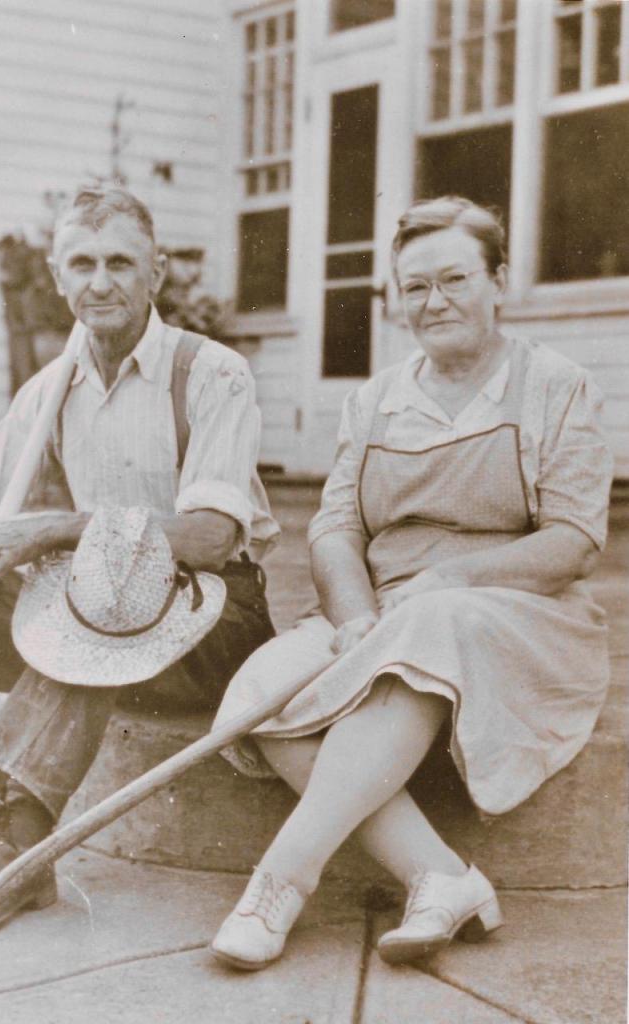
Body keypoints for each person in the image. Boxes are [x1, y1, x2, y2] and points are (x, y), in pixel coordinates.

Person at [209, 196, 613, 971]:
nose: (435, 302)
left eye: (455, 279)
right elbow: (335, 528)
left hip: (518, 614)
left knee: (429, 630)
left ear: (499, 279)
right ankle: (440, 876)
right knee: (261, 691)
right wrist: (356, 614)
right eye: (415, 287)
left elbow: (573, 542)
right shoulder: (375, 398)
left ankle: (278, 884)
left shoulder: (556, 385)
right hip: (388, 610)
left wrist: (448, 579)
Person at [0, 183, 278, 936]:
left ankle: (16, 853)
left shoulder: (211, 372)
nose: (100, 282)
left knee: (95, 607)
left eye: (120, 262)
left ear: (156, 273)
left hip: (216, 622)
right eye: (82, 264)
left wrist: (55, 529)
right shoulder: (51, 388)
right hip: (104, 603)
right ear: (58, 275)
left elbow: (206, 537)